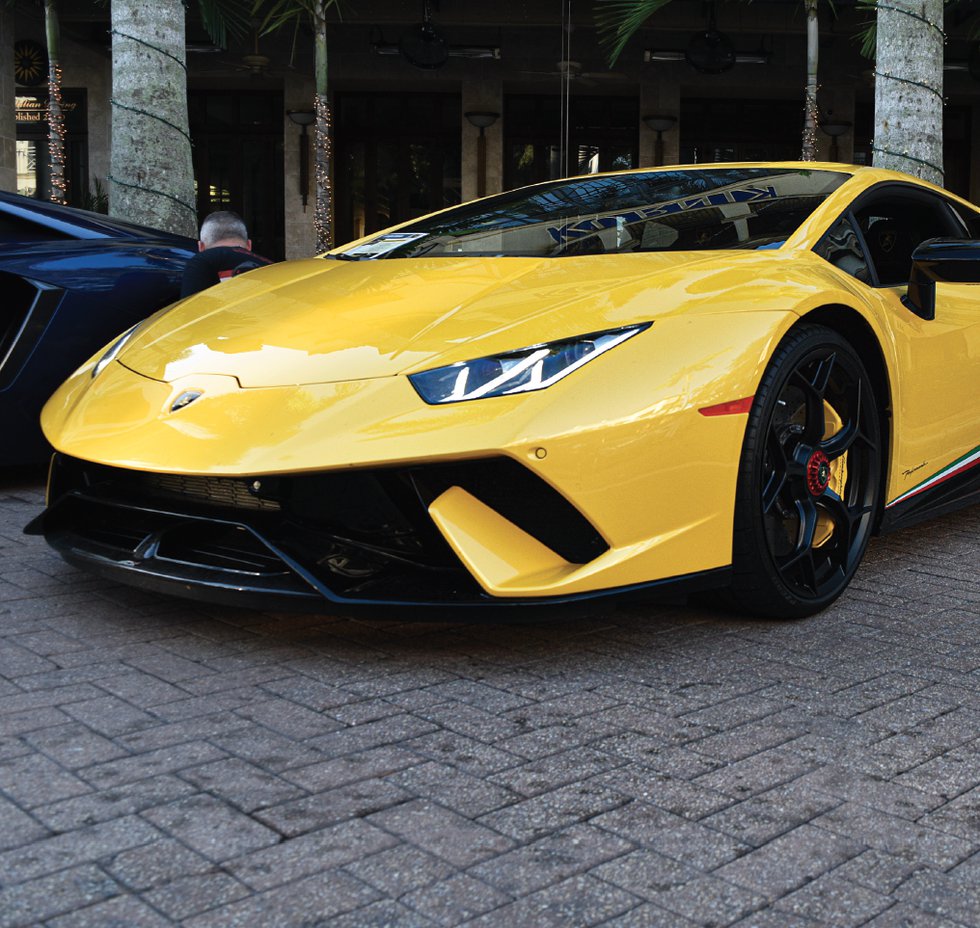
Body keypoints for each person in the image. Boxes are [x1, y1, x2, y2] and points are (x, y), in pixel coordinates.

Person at [180, 210, 272, 297]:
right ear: (249, 245)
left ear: (201, 246)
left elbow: (188, 311)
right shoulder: (271, 266)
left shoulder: (200, 263)